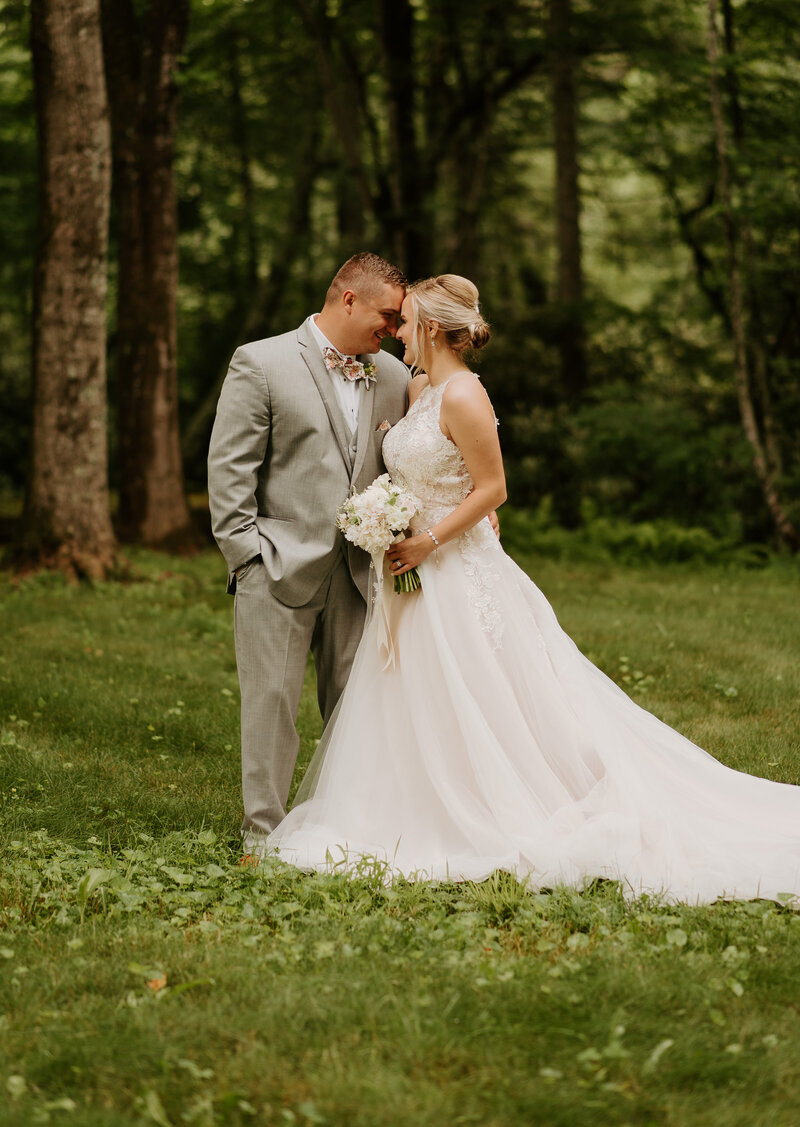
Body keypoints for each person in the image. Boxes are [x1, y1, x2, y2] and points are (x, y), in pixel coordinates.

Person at [267, 274, 800, 905]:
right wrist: (391, 517)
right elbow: (426, 468)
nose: (396, 334)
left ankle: (501, 802)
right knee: (415, 694)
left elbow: (493, 489)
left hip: (455, 569)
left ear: (432, 328)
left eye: (405, 323)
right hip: (410, 574)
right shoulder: (419, 387)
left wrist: (428, 539)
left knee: (486, 693)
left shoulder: (465, 394)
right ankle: (405, 806)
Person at [207, 253, 410, 854]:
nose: (395, 331)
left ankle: (348, 829)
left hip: (357, 573)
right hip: (275, 566)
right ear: (348, 298)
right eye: (388, 316)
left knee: (357, 709)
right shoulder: (261, 361)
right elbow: (229, 470)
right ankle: (261, 836)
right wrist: (248, 556)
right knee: (270, 707)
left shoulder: (396, 377)